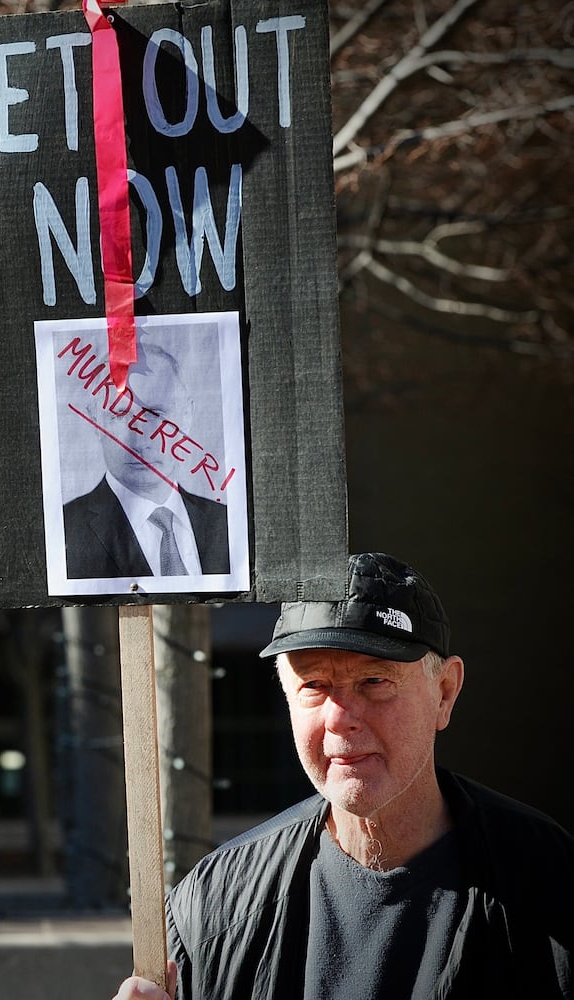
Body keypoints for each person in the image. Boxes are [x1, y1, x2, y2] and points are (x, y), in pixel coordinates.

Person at [113, 552, 573, 1000]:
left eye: (374, 681)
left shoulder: (549, 883)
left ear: (445, 692)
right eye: (313, 686)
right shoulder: (215, 907)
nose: (340, 717)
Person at [63, 340, 229, 580]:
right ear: (95, 420)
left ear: (187, 416)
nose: (140, 440)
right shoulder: (66, 532)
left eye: (156, 414)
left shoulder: (225, 524)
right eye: (120, 415)